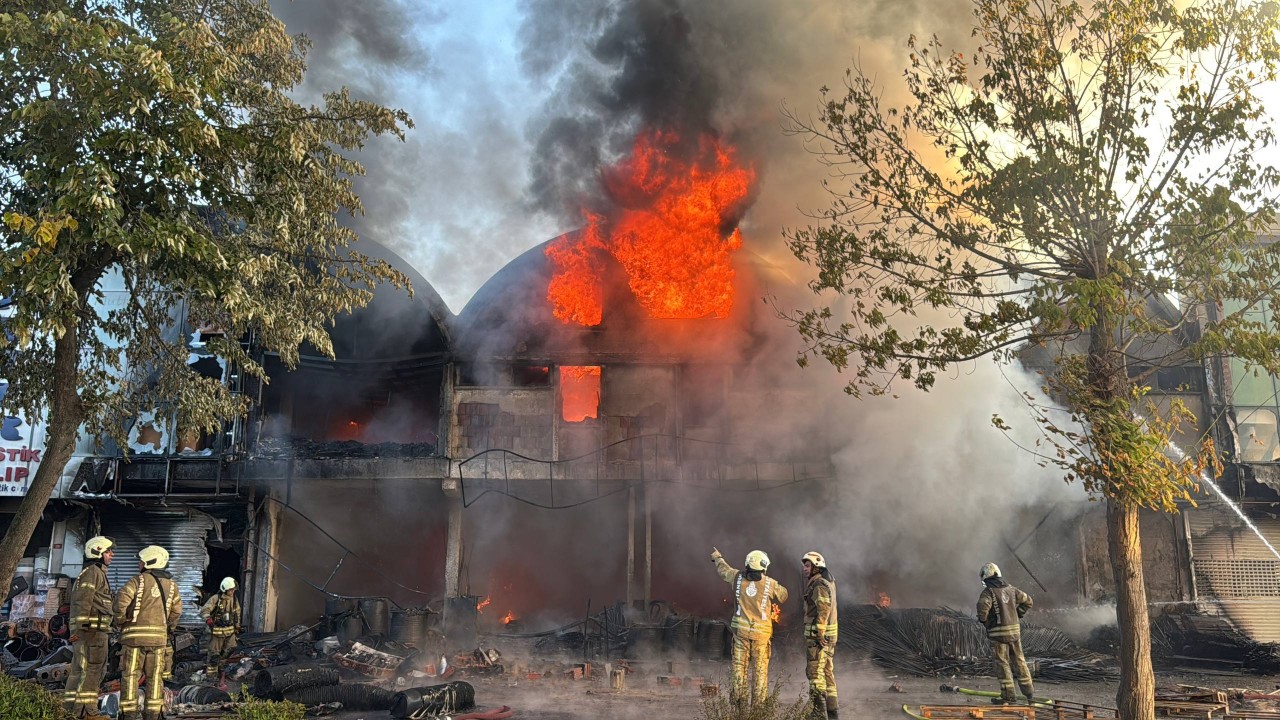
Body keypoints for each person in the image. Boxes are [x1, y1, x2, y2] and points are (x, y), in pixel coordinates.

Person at [712, 546, 788, 707]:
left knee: (739, 668)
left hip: (741, 634)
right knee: (760, 671)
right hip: (761, 637)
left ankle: (740, 704)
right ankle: (758, 708)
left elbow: (724, 570)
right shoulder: (769, 583)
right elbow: (783, 596)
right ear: (763, 566)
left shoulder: (737, 577)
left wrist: (717, 557)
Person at [115, 545, 182, 720]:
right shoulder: (172, 586)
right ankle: (153, 714)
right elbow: (176, 612)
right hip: (159, 641)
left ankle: (129, 713)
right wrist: (169, 629)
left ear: (150, 562)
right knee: (155, 677)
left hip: (134, 640)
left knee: (130, 676)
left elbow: (120, 602)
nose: (139, 564)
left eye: (141, 561)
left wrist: (121, 620)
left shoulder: (138, 581)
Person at [62, 536, 115, 720]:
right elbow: (82, 601)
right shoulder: (93, 572)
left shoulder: (91, 572)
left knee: (81, 671)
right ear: (98, 552)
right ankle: (87, 712)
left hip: (90, 632)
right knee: (92, 671)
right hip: (91, 634)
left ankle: (71, 711)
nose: (112, 555)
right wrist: (81, 630)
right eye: (108, 552)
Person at [976, 562, 1035, 705]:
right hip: (1014, 633)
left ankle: (1008, 697)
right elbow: (1029, 601)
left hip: (998, 635)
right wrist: (1018, 614)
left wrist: (986, 622)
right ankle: (1029, 694)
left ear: (985, 578)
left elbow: (983, 609)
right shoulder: (1012, 589)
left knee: (1003, 664)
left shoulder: (988, 592)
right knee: (1020, 661)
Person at [801, 551, 839, 719]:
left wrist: (819, 634)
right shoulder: (829, 582)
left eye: (808, 566)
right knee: (827, 672)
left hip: (819, 639)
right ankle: (832, 711)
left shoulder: (819, 585)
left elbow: (823, 610)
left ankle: (818, 714)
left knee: (815, 674)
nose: (805, 569)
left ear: (817, 567)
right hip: (830, 637)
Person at [200, 576, 241, 677]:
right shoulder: (216, 599)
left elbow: (237, 614)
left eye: (233, 589)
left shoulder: (234, 600)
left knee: (230, 649)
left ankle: (222, 669)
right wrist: (209, 620)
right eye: (230, 590)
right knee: (214, 653)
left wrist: (237, 626)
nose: (232, 592)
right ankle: (211, 674)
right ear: (225, 589)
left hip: (230, 632)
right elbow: (204, 610)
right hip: (217, 632)